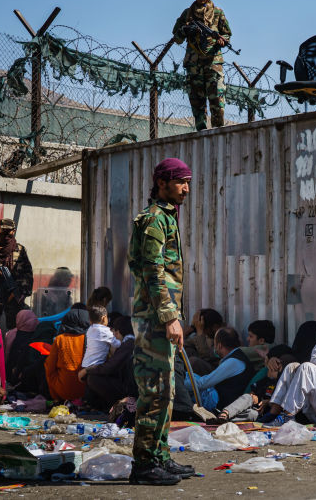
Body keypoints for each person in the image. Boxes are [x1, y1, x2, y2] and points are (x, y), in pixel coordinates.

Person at [129, 157, 194, 486]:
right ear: (162, 183)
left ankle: (159, 455)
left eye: (187, 182)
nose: (186, 188)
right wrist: (170, 318)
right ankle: (144, 464)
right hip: (154, 319)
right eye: (180, 181)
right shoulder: (155, 219)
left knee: (166, 391)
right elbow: (153, 272)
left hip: (162, 317)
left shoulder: (167, 217)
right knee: (154, 391)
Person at [171, 0, 232, 131]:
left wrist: (221, 41)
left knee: (217, 100)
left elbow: (227, 34)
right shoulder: (187, 14)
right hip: (194, 65)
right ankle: (201, 132)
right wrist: (185, 31)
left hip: (213, 63)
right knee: (197, 102)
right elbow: (176, 38)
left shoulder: (217, 13)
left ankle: (218, 132)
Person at [186, 327, 256, 412]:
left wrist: (178, 384)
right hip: (219, 397)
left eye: (214, 344)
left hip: (219, 403)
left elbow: (203, 383)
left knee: (186, 378)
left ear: (219, 345)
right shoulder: (235, 357)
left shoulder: (233, 362)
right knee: (189, 377)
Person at [81, 315, 137, 413]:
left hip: (129, 390)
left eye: (114, 332)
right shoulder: (128, 343)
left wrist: (87, 370)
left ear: (118, 332)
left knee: (93, 378)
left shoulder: (128, 344)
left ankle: (112, 407)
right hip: (127, 386)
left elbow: (109, 367)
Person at [44, 307, 90, 403]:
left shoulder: (60, 339)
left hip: (63, 391)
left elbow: (49, 367)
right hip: (86, 391)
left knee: (48, 366)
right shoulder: (90, 338)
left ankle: (56, 399)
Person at [184, 308, 224, 372]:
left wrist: (200, 333)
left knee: (194, 362)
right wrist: (189, 330)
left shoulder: (225, 336)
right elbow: (180, 348)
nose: (204, 333)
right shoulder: (207, 336)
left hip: (218, 371)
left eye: (203, 329)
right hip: (208, 368)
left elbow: (207, 356)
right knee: (187, 351)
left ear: (215, 327)